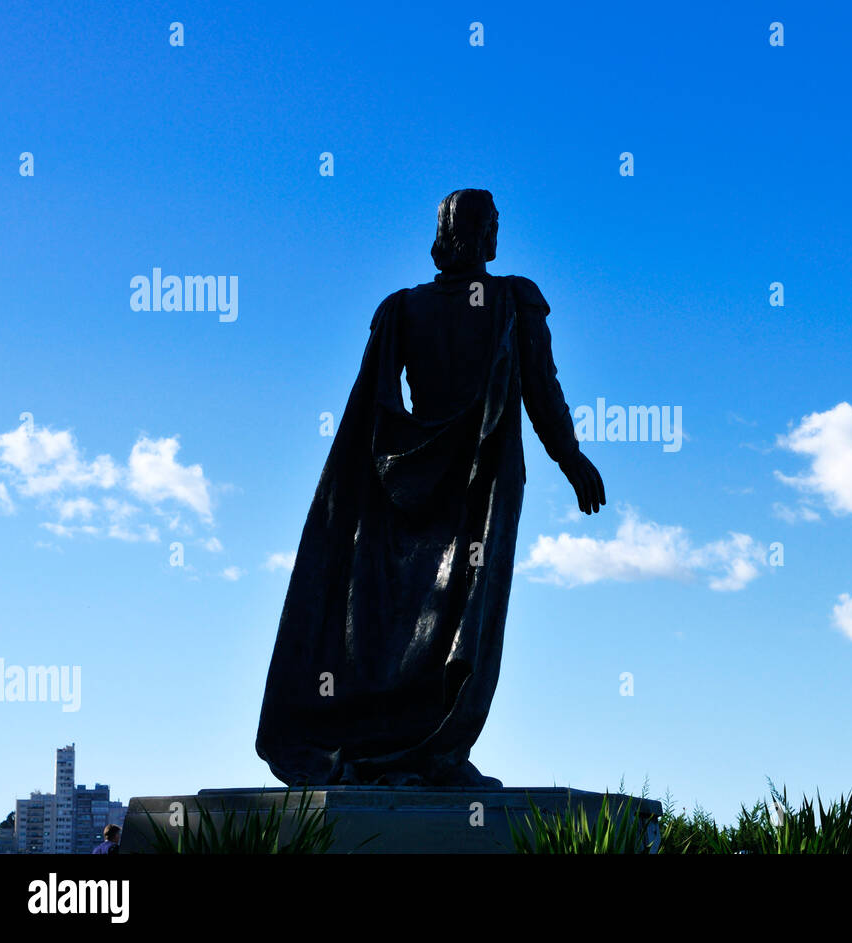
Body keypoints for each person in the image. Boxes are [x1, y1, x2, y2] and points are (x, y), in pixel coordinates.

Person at [256, 189, 604, 788]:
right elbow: (540, 390)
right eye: (491, 223)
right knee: (465, 614)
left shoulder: (401, 309)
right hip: (479, 483)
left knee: (399, 617)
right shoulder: (511, 299)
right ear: (475, 232)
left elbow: (369, 414)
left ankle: (399, 744)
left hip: (405, 483)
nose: (496, 233)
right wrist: (570, 457)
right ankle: (435, 752)